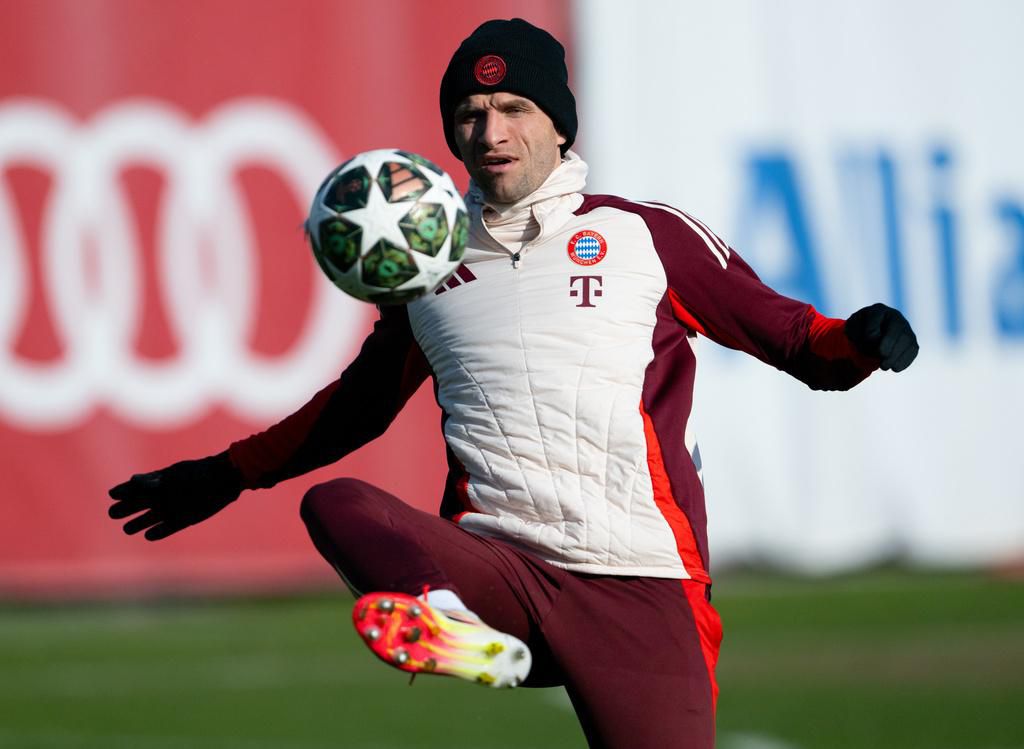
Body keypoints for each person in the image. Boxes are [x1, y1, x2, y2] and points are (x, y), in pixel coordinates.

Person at [109, 18, 919, 749]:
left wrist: (860, 340)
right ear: (452, 136)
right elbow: (351, 411)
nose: (490, 131)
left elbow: (797, 341)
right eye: (470, 114)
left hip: (641, 582)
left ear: (559, 125)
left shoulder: (642, 233)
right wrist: (227, 471)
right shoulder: (424, 270)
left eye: (514, 109)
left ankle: (471, 630)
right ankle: (455, 628)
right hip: (499, 572)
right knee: (337, 504)